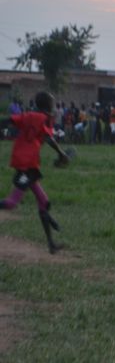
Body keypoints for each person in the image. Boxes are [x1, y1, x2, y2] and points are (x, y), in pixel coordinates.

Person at [0, 91, 70, 254]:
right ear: (47, 106)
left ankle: (51, 245)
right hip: (25, 165)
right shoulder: (44, 119)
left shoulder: (28, 115)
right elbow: (48, 138)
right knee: (11, 203)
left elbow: (9, 121)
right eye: (52, 103)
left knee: (43, 202)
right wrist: (61, 154)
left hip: (29, 164)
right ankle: (51, 242)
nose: (54, 106)